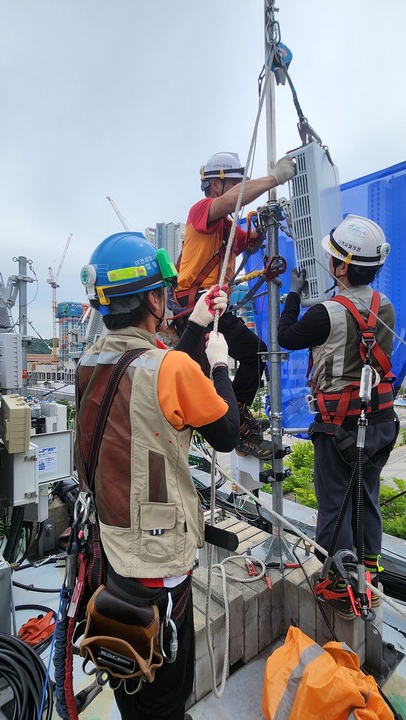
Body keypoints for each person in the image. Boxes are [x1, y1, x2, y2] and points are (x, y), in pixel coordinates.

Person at [76, 231, 239, 720]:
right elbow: (227, 430)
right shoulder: (171, 368)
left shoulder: (91, 360)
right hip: (159, 561)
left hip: (112, 548)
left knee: (130, 677)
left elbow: (150, 371)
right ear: (152, 297)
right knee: (167, 684)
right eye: (162, 292)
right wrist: (222, 366)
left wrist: (194, 323)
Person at [277, 215, 399, 614]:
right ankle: (368, 571)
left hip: (339, 426)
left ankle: (337, 581)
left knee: (335, 502)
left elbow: (286, 336)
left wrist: (293, 294)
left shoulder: (326, 313)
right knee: (367, 496)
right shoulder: (386, 307)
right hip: (380, 422)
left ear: (342, 266)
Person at [174, 151, 296, 459]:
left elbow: (246, 240)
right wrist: (274, 179)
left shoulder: (227, 228)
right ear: (216, 185)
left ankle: (238, 416)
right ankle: (237, 429)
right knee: (217, 374)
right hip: (200, 309)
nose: (240, 188)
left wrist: (259, 231)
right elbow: (232, 203)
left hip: (212, 306)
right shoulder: (202, 211)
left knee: (255, 353)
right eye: (235, 183)